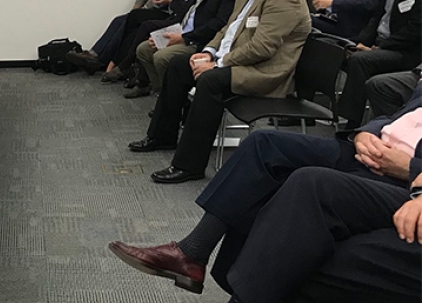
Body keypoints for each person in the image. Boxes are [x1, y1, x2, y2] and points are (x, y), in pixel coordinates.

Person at [109, 79, 422, 302]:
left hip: (404, 176)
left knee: (309, 183)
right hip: (374, 150)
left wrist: (412, 169)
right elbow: (403, 114)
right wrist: (364, 133)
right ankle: (193, 252)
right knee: (264, 146)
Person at [128, 0, 311, 183]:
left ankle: (189, 165)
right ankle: (162, 135)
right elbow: (228, 29)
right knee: (178, 65)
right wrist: (210, 52)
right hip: (238, 61)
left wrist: (218, 63)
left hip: (264, 72)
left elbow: (262, 48)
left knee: (210, 80)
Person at [127, 0, 243, 97]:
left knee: (161, 57)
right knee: (144, 49)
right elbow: (186, 7)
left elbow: (220, 22)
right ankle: (162, 93)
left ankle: (173, 99)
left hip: (199, 38)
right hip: (182, 28)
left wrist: (183, 37)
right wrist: (168, 32)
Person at [335, 0, 422, 128]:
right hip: (382, 43)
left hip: (407, 51)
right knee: (344, 51)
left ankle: (351, 124)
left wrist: (381, 48)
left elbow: (417, 28)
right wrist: (361, 42)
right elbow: (377, 16)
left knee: (361, 61)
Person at [116, 0, 207, 96]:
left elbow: (183, 6)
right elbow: (179, 3)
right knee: (131, 25)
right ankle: (143, 80)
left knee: (146, 27)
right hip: (175, 16)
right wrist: (170, 2)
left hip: (182, 24)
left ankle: (128, 68)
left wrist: (172, 3)